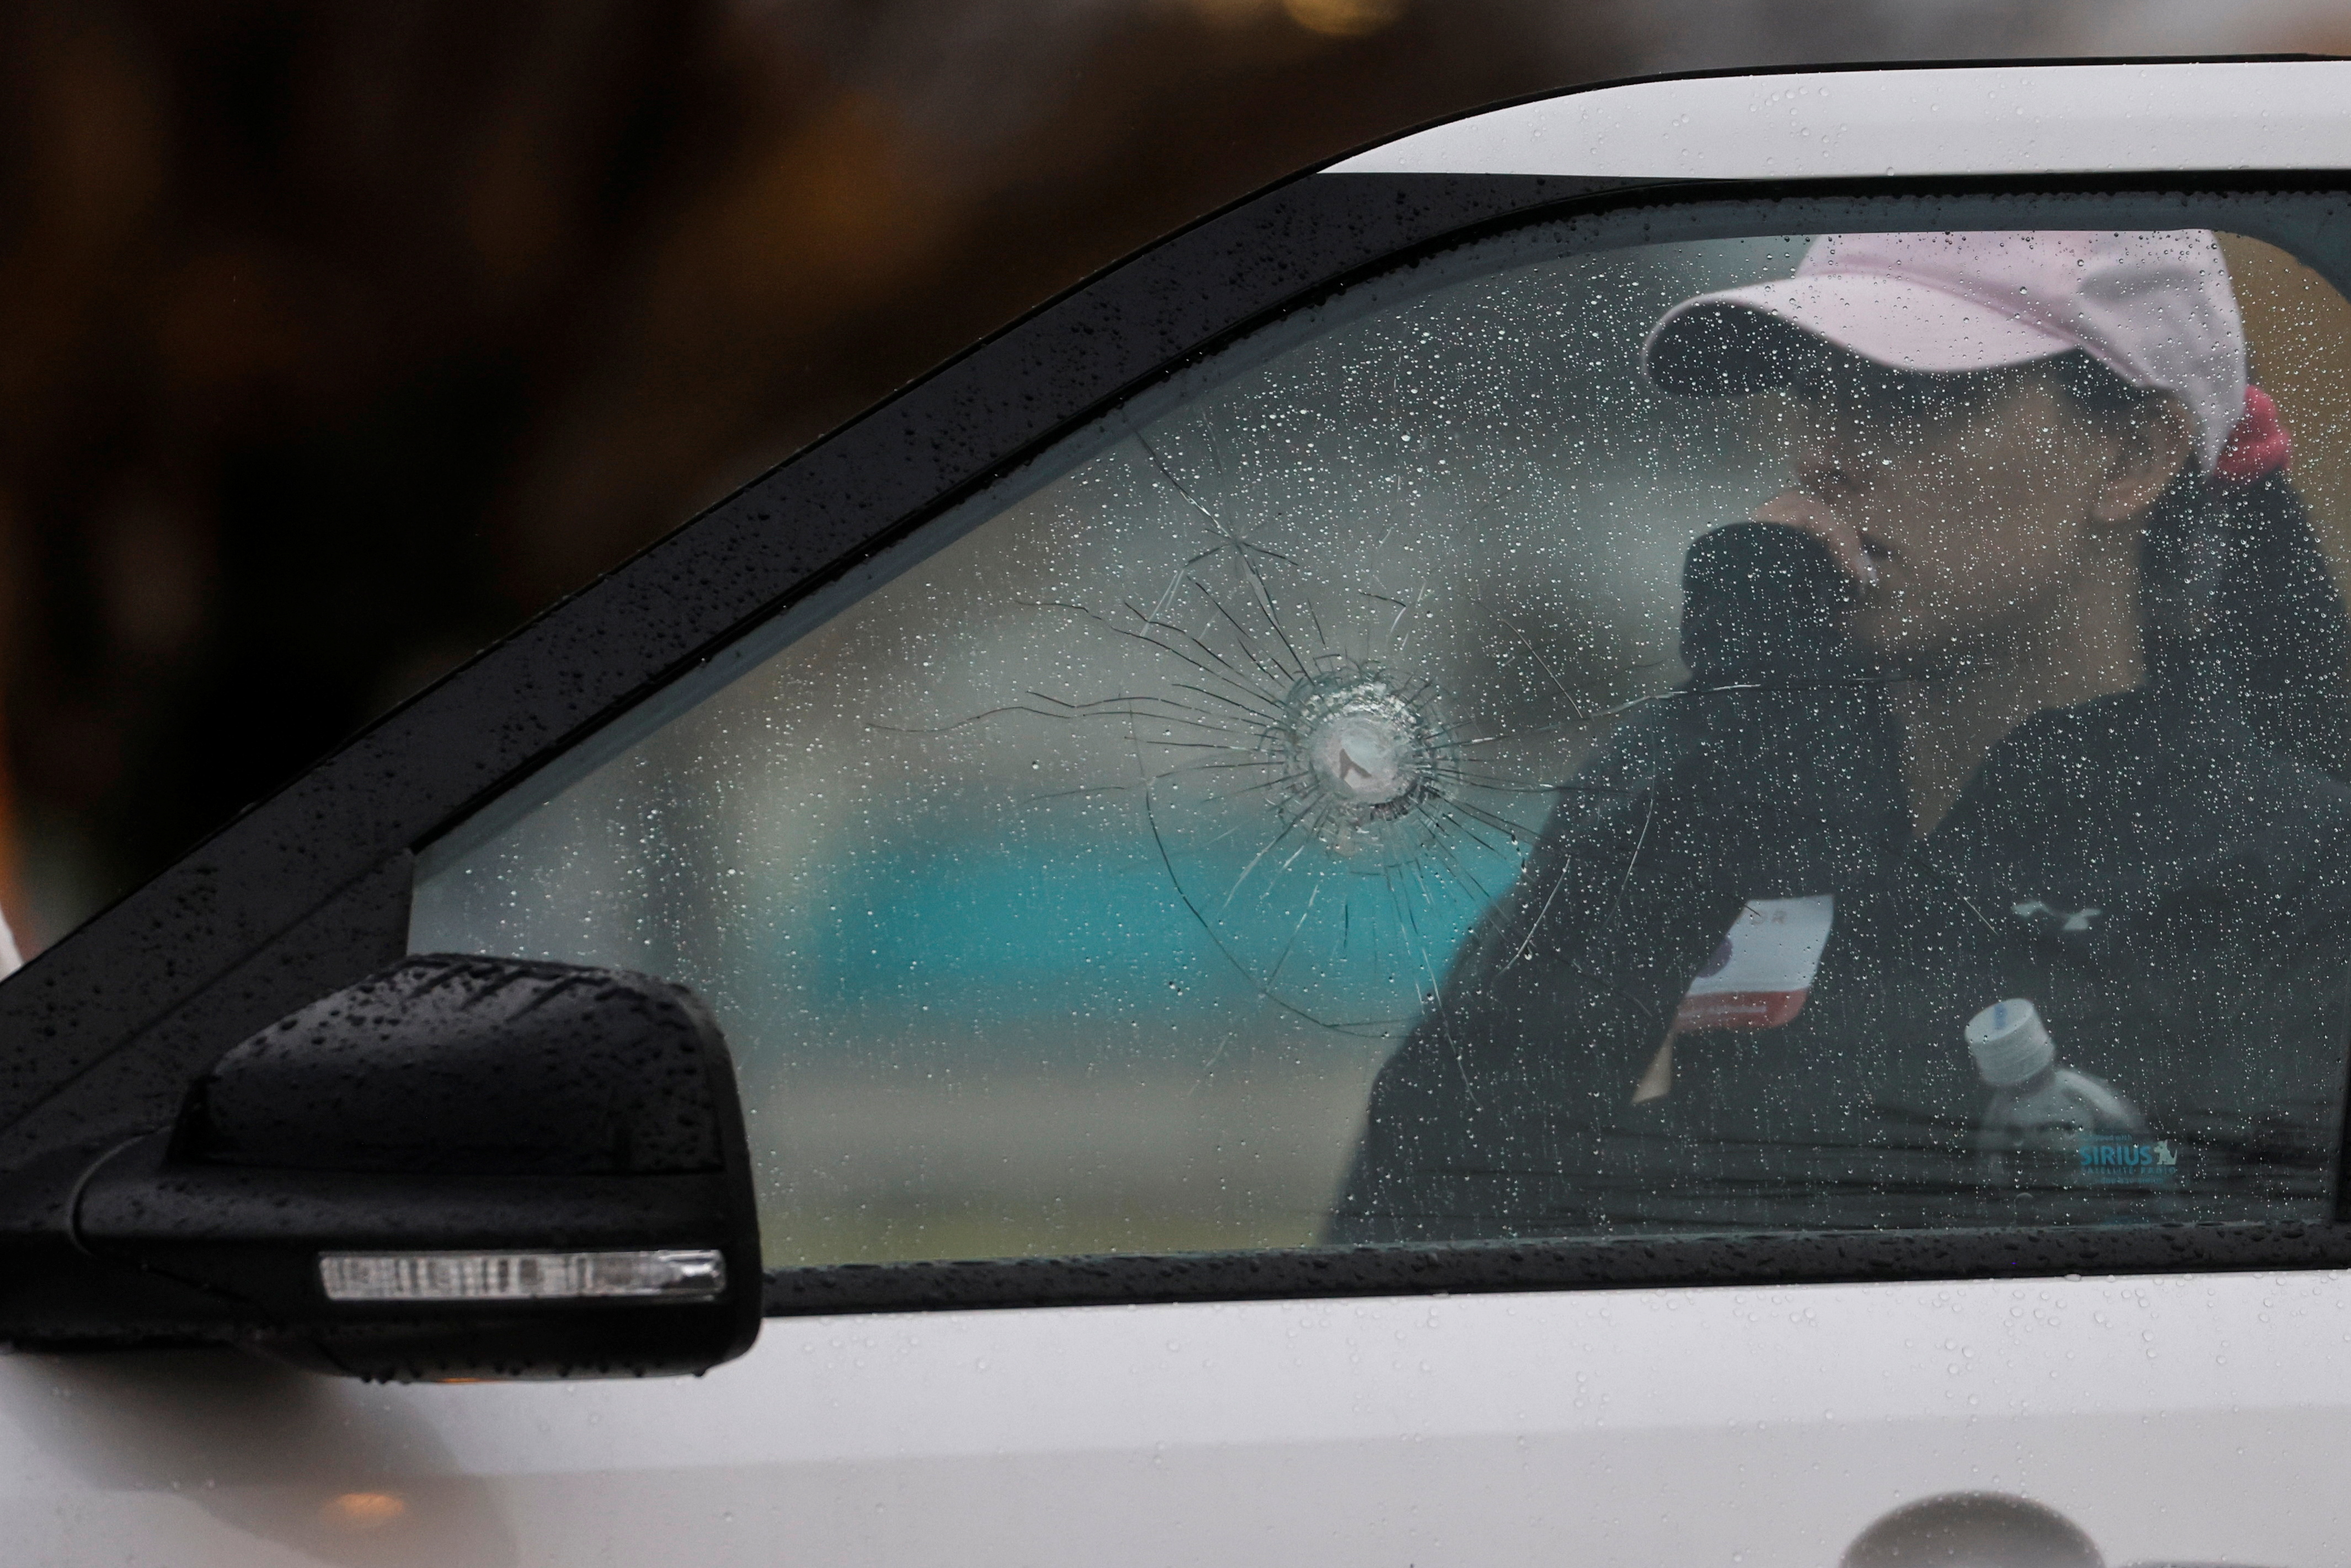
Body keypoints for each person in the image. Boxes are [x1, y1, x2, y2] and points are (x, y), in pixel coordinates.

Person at [1328, 229, 2351, 1242]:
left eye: (1909, 397)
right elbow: (1414, 1217)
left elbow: (1931, 1207)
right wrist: (1718, 769)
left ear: (2132, 456)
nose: (1823, 454)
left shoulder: (2293, 867)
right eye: (1814, 394)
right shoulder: (1729, 759)